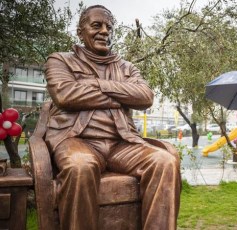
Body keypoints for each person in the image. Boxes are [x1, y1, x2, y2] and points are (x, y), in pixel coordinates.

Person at [44, 5, 180, 230]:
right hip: (77, 140)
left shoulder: (126, 66)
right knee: (80, 165)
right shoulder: (60, 60)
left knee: (165, 161)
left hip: (121, 143)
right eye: (96, 25)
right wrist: (122, 95)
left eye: (108, 27)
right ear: (80, 31)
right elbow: (65, 95)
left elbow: (145, 96)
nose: (104, 31)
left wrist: (96, 84)